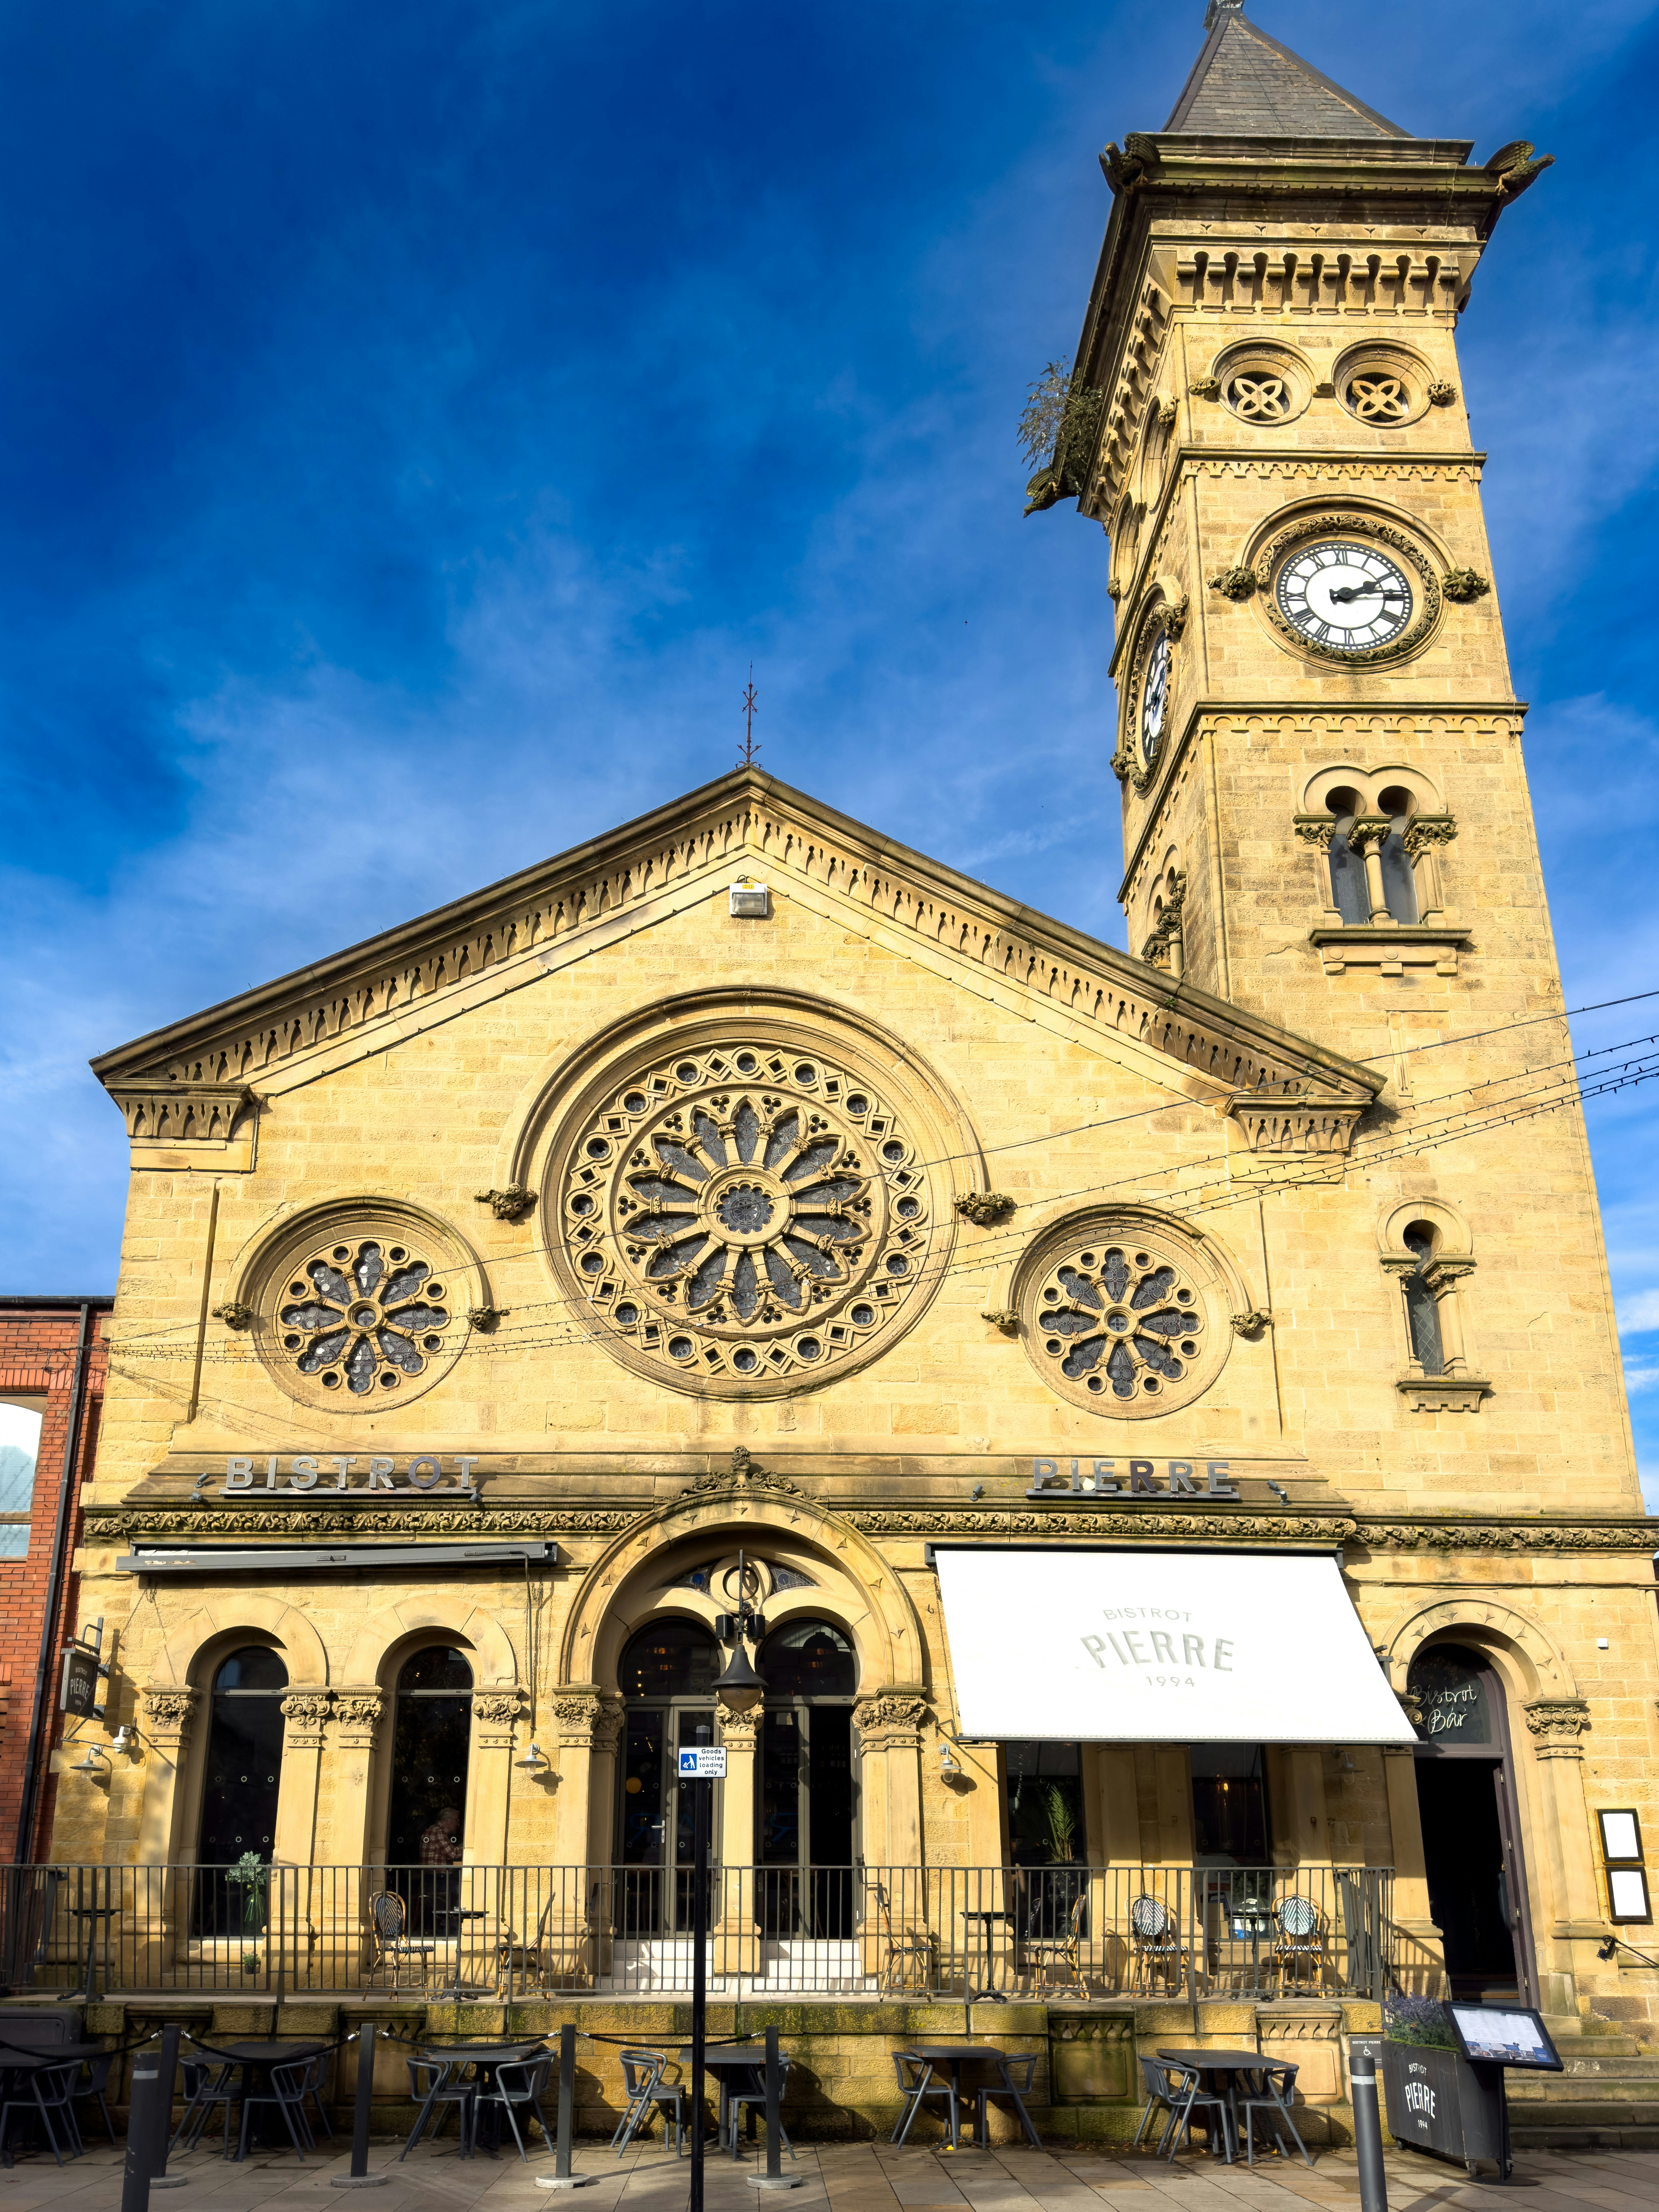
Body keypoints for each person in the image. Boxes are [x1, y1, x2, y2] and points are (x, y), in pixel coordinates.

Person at [416, 1806, 463, 1930]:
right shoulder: (439, 1832)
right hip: (435, 1879)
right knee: (464, 1890)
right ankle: (452, 1922)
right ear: (448, 1820)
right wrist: (466, 1847)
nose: (458, 1824)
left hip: (432, 1878)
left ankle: (447, 1920)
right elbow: (452, 1853)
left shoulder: (433, 1830)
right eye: (456, 1821)